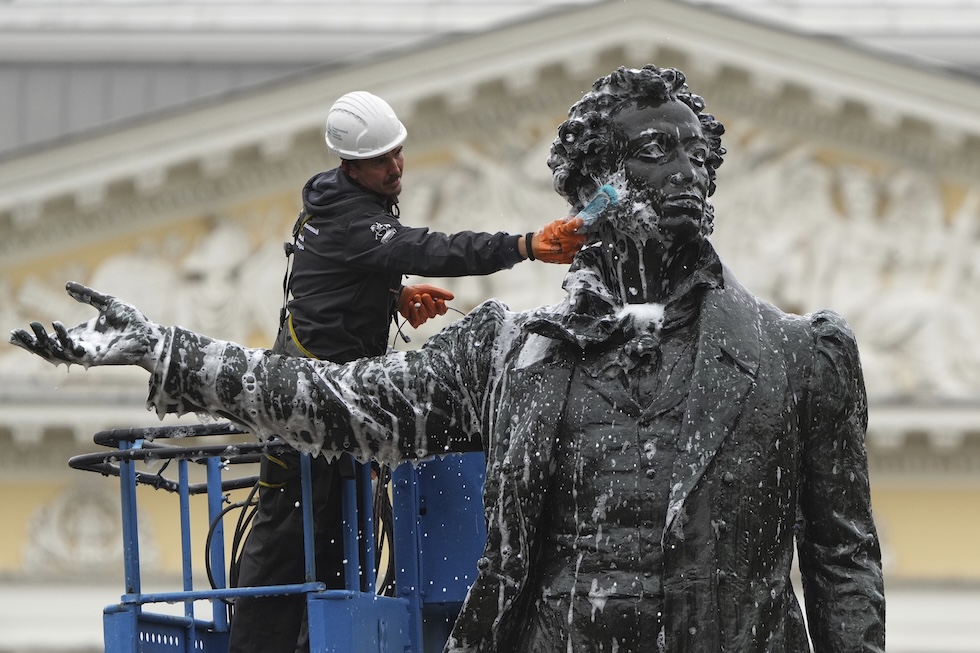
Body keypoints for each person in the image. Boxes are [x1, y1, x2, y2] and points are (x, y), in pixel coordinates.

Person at [11, 65, 885, 653]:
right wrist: (161, 348)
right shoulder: (506, 353)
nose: (686, 171)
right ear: (594, 187)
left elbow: (844, 569)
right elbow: (340, 402)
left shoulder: (799, 356)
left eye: (698, 154)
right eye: (655, 151)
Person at [232, 89, 587, 653]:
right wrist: (525, 245)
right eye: (381, 160)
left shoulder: (341, 205)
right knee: (286, 540)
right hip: (305, 403)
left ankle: (317, 640)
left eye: (398, 152)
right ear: (350, 165)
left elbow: (330, 283)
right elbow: (429, 247)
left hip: (339, 402)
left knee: (340, 536)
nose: (395, 167)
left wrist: (389, 295)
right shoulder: (351, 218)